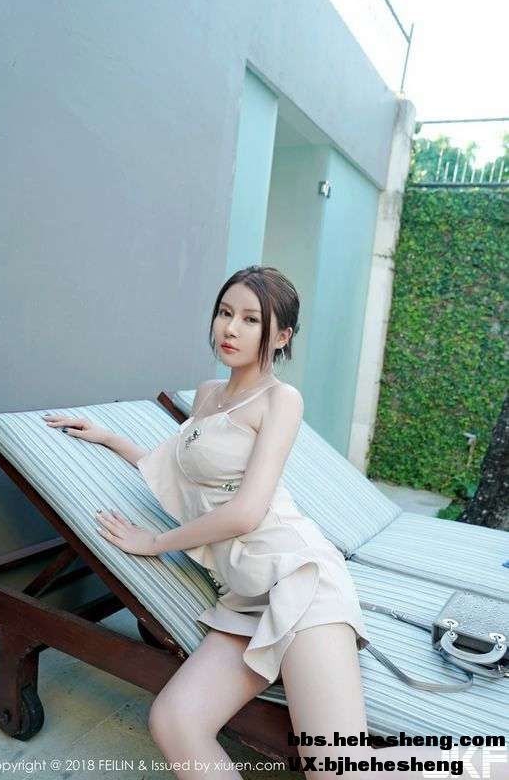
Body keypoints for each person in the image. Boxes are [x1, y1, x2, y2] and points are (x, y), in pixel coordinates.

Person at [43, 266, 507, 780]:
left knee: (338, 769)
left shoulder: (280, 400)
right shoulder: (208, 393)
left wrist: (156, 541)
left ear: (281, 336)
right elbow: (183, 471)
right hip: (243, 596)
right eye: (225, 313)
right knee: (176, 721)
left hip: (298, 580)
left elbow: (246, 511)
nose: (230, 328)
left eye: (250, 320)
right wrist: (110, 438)